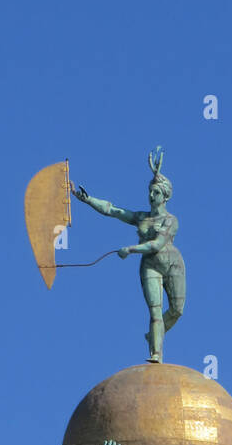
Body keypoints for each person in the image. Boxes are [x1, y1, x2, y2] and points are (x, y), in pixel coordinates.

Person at [71, 148, 185, 363]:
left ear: (166, 196)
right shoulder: (141, 217)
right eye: (150, 192)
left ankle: (153, 335)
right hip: (149, 266)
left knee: (177, 310)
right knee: (155, 312)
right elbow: (113, 211)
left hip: (172, 265)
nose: (151, 196)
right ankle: (156, 353)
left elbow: (157, 244)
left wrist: (130, 249)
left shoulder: (171, 220)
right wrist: (87, 200)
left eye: (156, 193)